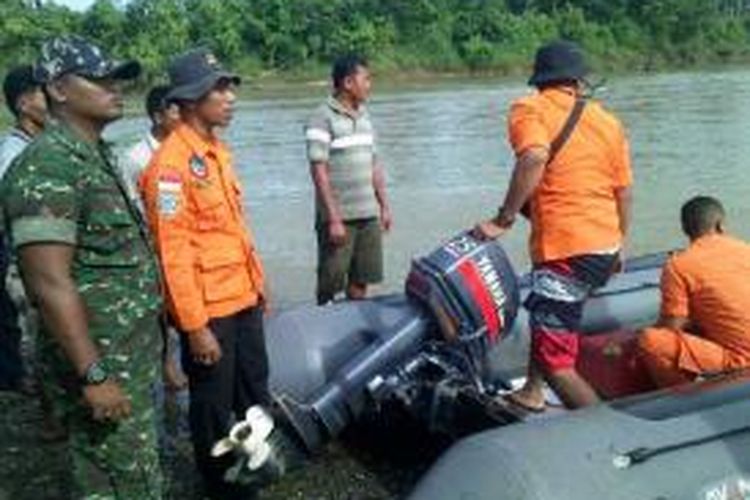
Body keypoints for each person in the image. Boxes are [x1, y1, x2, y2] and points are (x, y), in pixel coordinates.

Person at [0, 36, 164, 498]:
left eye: (117, 79)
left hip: (131, 357)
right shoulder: (46, 167)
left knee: (137, 473)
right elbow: (48, 283)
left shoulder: (102, 157)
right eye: (99, 79)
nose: (115, 88)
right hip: (100, 365)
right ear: (58, 89)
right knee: (111, 479)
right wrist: (93, 374)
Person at [140, 48, 270, 500]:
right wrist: (194, 329)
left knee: (254, 394)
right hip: (209, 312)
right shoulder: (170, 168)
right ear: (192, 99)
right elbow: (172, 255)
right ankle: (221, 487)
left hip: (243, 299)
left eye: (229, 86)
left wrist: (258, 290)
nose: (230, 96)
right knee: (213, 410)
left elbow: (232, 232)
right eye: (220, 89)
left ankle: (252, 473)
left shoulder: (218, 152)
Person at [475, 40, 633, 410]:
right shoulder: (607, 121)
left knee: (556, 361)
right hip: (603, 246)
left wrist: (504, 218)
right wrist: (620, 244)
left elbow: (532, 156)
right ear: (577, 82)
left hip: (566, 249)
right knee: (547, 317)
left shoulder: (529, 108)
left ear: (539, 80)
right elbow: (624, 192)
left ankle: (604, 432)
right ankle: (532, 391)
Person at [305, 54, 392, 305]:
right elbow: (318, 170)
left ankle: (353, 328)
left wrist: (384, 206)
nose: (369, 84)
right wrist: (333, 219)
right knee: (330, 283)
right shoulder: (321, 116)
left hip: (368, 214)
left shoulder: (365, 116)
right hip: (339, 218)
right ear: (347, 83)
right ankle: (323, 328)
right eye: (365, 79)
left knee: (361, 280)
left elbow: (374, 164)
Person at [638, 196, 750, 387]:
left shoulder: (678, 265)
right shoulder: (745, 249)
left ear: (685, 229)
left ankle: (681, 398)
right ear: (721, 225)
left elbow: (672, 325)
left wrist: (640, 334)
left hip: (742, 359)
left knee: (650, 340)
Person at [0, 65, 46, 391]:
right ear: (24, 104)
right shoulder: (13, 154)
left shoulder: (40, 145)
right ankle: (50, 418)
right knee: (44, 333)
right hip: (28, 263)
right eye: (43, 93)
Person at [120, 84, 180, 210]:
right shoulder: (136, 159)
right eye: (176, 113)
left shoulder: (192, 150)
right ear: (158, 118)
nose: (184, 119)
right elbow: (131, 203)